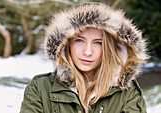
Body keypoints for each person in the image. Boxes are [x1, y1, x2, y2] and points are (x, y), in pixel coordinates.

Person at [20, 2, 149, 113]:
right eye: (79, 41)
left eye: (98, 43)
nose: (88, 52)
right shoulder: (40, 88)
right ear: (66, 44)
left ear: (110, 48)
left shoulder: (128, 94)